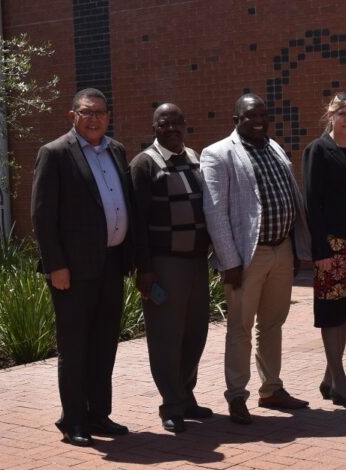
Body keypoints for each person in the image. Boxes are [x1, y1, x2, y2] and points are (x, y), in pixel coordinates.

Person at [201, 93, 312, 425]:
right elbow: (215, 213)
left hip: (281, 249)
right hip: (247, 256)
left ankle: (271, 389)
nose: (260, 121)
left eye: (263, 115)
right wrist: (230, 261)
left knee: (273, 324)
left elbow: (290, 196)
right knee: (240, 327)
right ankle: (237, 395)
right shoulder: (218, 153)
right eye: (251, 116)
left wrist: (295, 249)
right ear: (236, 120)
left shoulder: (273, 147)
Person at [31, 88, 133, 446]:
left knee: (104, 344)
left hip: (112, 264)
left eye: (100, 112)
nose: (94, 119)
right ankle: (73, 420)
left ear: (108, 117)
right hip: (72, 272)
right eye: (87, 112)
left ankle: (98, 414)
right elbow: (42, 216)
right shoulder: (55, 153)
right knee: (75, 346)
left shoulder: (116, 150)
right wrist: (56, 265)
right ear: (72, 116)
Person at [130, 103, 213, 433]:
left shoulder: (194, 157)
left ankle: (186, 396)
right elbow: (137, 222)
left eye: (177, 123)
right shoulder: (144, 164)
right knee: (166, 337)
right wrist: (145, 269)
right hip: (164, 265)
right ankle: (171, 404)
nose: (172, 129)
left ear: (185, 125)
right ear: (154, 127)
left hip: (196, 263)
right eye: (164, 124)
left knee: (195, 334)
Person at [302, 92, 346, 407]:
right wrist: (320, 249)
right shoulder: (317, 150)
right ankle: (341, 384)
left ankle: (330, 378)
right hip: (331, 244)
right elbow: (312, 202)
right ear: (330, 115)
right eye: (342, 114)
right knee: (332, 311)